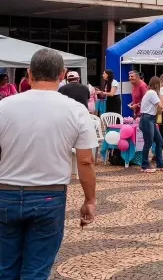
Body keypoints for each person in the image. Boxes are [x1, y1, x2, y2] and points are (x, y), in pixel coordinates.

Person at [0, 49, 98, 279]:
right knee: (36, 271)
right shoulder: (76, 110)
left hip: (6, 193)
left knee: (5, 269)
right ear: (62, 74)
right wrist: (90, 200)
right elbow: (85, 161)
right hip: (49, 196)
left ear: (29, 73)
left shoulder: (4, 106)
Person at [139, 76, 163, 174]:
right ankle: (144, 165)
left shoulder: (149, 93)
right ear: (157, 84)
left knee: (159, 140)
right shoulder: (152, 93)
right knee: (148, 142)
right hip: (147, 118)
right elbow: (161, 105)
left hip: (150, 118)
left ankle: (160, 163)